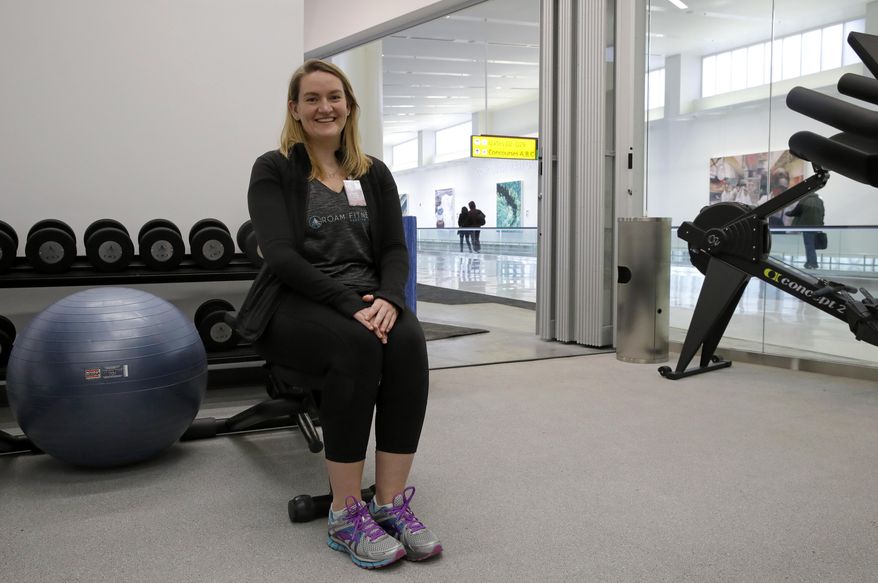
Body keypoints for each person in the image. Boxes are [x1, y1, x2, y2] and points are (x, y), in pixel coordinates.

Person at [245, 59, 442, 569]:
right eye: (311, 98)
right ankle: (345, 513)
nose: (324, 107)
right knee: (356, 343)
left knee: (407, 341)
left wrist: (390, 300)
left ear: (349, 105)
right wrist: (351, 305)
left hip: (367, 300)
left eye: (333, 96)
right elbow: (281, 255)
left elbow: (395, 251)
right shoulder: (274, 168)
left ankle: (389, 503)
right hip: (297, 301)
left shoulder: (372, 172)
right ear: (295, 109)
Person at [785, 192, 825, 269]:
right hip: (817, 226)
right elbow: (823, 213)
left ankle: (812, 263)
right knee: (811, 246)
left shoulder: (804, 200)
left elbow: (796, 212)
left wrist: (787, 213)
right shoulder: (819, 201)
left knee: (809, 245)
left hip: (807, 226)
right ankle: (811, 262)